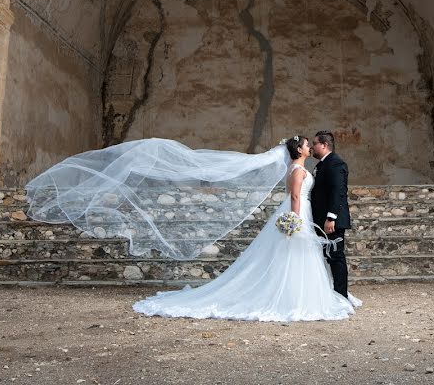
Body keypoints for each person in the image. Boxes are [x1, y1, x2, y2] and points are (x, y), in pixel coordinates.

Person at [132, 135, 360, 321]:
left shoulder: (295, 168)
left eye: (312, 144)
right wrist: (296, 219)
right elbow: (294, 196)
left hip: (304, 212)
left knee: (297, 255)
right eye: (307, 145)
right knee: (297, 254)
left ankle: (303, 294)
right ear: (299, 150)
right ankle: (298, 298)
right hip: (299, 212)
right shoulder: (299, 170)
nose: (310, 147)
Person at [310, 130, 351, 298]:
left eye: (314, 144)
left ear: (324, 145)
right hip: (321, 219)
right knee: (328, 257)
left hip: (331, 221)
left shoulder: (335, 163)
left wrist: (330, 217)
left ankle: (341, 295)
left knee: (336, 257)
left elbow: (338, 191)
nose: (312, 147)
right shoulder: (322, 164)